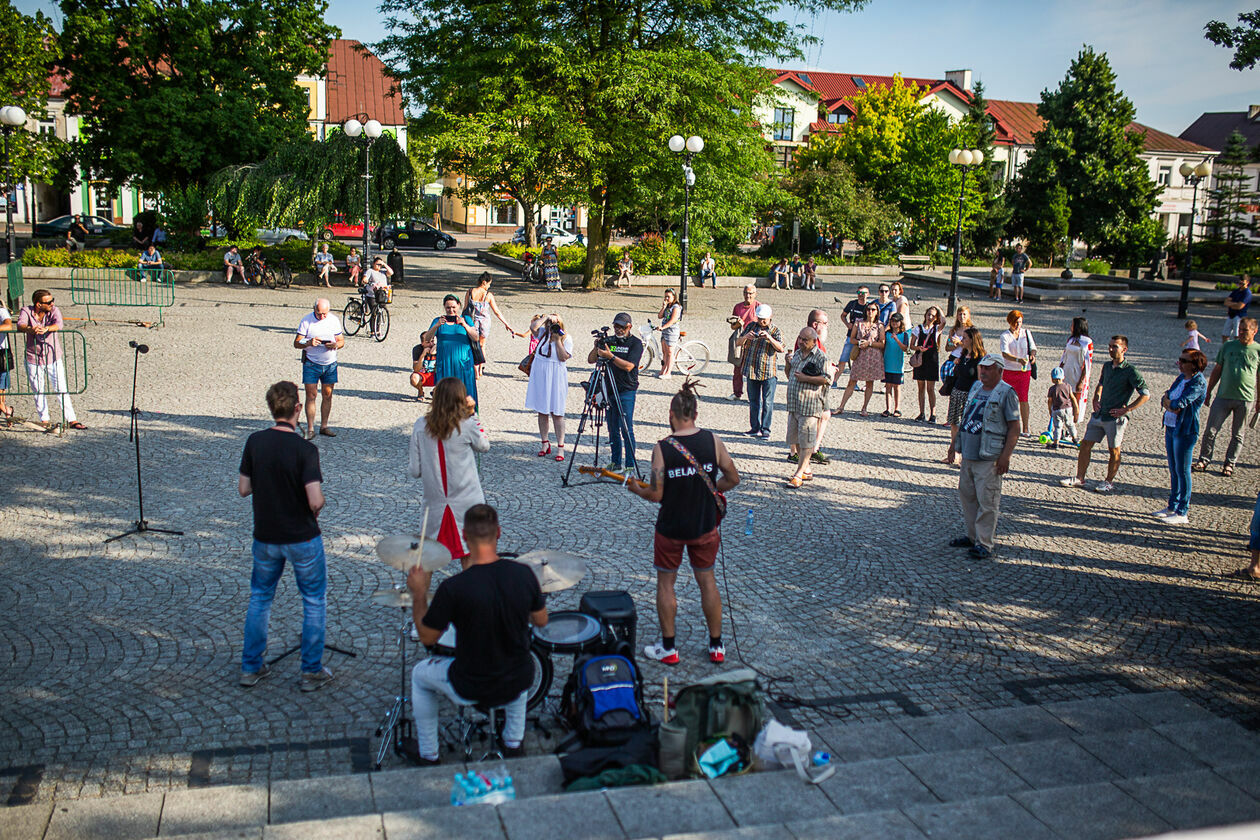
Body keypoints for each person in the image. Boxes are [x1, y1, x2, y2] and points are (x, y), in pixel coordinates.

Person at [406, 504, 547, 763]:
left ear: (464, 537)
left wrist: (418, 595)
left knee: (419, 674)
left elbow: (427, 638)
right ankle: (514, 743)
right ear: (499, 533)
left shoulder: (453, 588)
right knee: (519, 659)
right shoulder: (523, 574)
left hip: (470, 684)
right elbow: (541, 620)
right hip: (517, 679)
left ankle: (428, 754)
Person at [628, 380, 740, 665]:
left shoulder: (662, 448)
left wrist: (635, 489)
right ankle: (716, 645)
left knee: (666, 584)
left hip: (671, 527)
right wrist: (713, 490)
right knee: (708, 582)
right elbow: (733, 478)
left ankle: (669, 648)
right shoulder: (713, 441)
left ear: (671, 415)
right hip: (704, 526)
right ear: (695, 415)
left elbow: (656, 494)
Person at [237, 380, 333, 692]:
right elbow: (315, 499)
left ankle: (251, 667)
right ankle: (311, 671)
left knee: (260, 598)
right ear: (296, 408)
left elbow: (243, 489)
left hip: (265, 536)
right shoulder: (305, 449)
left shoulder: (255, 442)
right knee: (313, 600)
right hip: (302, 537)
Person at [408, 377, 489, 560]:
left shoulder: (421, 425)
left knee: (425, 558)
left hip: (434, 502)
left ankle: (419, 590)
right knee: (470, 555)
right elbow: (484, 446)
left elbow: (415, 470)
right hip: (468, 500)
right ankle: (467, 589)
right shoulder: (467, 424)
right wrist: (472, 414)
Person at [948, 353, 1020, 559]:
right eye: (982, 368)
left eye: (988, 368)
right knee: (968, 496)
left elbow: (1015, 427)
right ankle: (972, 536)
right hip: (969, 453)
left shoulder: (1007, 393)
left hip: (989, 456)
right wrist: (954, 444)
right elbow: (966, 417)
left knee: (987, 500)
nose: (984, 371)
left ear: (1000, 370)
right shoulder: (976, 387)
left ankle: (984, 543)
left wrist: (1006, 456)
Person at [1060, 335, 1150, 493]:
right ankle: (1080, 478)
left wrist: (1127, 409)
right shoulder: (1107, 366)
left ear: (1124, 349)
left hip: (1115, 417)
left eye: (1115, 346)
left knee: (1114, 449)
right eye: (1109, 346)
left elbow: (1145, 394)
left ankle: (1109, 481)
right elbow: (1101, 383)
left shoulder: (1130, 371)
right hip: (1100, 414)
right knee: (1085, 444)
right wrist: (1096, 398)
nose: (1110, 349)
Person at [1193, 316, 1260, 478]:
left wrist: (1259, 399)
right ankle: (1204, 459)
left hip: (1245, 398)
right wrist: (1209, 391)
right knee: (1211, 430)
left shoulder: (1258, 350)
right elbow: (1217, 369)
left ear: (1255, 331)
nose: (1241, 332)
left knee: (1238, 433)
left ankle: (1230, 463)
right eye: (1240, 329)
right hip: (1223, 395)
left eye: (1245, 330)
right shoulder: (1228, 346)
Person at [16, 290, 84, 430]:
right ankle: (44, 419)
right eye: (48, 302)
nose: (52, 303)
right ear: (38, 304)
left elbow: (59, 324)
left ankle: (71, 419)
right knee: (38, 390)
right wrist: (31, 329)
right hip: (33, 356)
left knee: (61, 388)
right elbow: (20, 324)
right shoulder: (26, 311)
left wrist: (46, 329)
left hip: (52, 356)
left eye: (52, 300)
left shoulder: (54, 310)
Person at [587, 312, 643, 474]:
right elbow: (591, 360)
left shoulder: (635, 344)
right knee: (612, 428)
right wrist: (597, 347)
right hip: (609, 389)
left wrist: (610, 357)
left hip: (627, 389)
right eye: (616, 326)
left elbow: (629, 366)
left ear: (629, 327)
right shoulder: (609, 342)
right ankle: (615, 461)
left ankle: (630, 463)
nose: (618, 330)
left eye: (622, 327)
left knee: (626, 428)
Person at [1158, 349, 1209, 525]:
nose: (1179, 363)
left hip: (1185, 430)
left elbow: (1178, 403)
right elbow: (1167, 395)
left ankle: (1182, 511)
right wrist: (1169, 403)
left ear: (1194, 365)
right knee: (1173, 469)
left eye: (1183, 360)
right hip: (1172, 426)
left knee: (1183, 470)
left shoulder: (1198, 383)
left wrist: (1169, 403)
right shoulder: (1181, 378)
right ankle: (1172, 506)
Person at [785, 327, 831, 487]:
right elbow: (789, 375)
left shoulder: (821, 358)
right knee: (796, 439)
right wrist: (787, 362)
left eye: (805, 340)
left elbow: (826, 379)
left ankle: (798, 474)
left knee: (807, 442)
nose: (801, 342)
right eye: (800, 338)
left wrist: (806, 378)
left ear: (814, 341)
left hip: (810, 406)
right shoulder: (797, 354)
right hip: (794, 405)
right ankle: (805, 470)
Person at [294, 299, 344, 440]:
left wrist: (335, 345)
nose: (322, 316)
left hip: (330, 363)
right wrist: (309, 342)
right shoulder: (306, 321)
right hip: (311, 363)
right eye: (319, 313)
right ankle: (310, 428)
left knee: (327, 395)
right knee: (311, 395)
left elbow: (341, 341)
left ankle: (324, 425)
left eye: (324, 314)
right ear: (314, 309)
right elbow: (297, 342)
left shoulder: (333, 320)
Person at [525, 313, 572, 460]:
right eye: (551, 325)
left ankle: (561, 447)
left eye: (556, 324)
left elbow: (563, 357)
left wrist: (557, 340)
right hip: (541, 374)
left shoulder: (566, 338)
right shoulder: (543, 334)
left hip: (556, 376)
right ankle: (544, 443)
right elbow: (532, 327)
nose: (553, 327)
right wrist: (546, 318)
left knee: (557, 413)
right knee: (542, 410)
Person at [423, 295, 479, 411]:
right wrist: (437, 325)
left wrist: (464, 324)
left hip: (464, 364)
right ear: (444, 307)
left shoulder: (467, 319)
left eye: (453, 307)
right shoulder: (438, 321)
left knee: (466, 392)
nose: (451, 310)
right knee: (445, 394)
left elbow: (475, 337)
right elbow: (427, 338)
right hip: (445, 364)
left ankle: (468, 421)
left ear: (459, 305)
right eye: (448, 308)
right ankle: (445, 421)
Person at [463, 272, 523, 377]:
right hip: (485, 322)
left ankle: (475, 370)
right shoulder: (488, 295)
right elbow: (496, 311)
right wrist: (506, 324)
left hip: (472, 321)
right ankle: (481, 369)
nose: (489, 286)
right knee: (482, 345)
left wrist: (461, 321)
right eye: (489, 283)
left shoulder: (470, 291)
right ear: (484, 282)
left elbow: (465, 308)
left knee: (473, 345)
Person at [737, 303, 783, 437]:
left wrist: (769, 338)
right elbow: (738, 343)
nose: (762, 321)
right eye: (760, 318)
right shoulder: (751, 326)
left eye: (764, 319)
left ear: (770, 317)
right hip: (751, 369)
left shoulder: (775, 331)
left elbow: (781, 348)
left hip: (768, 371)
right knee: (753, 401)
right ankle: (754, 428)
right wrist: (746, 337)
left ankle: (766, 430)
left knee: (768, 402)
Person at [836, 300, 884, 417]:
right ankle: (841, 406)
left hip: (873, 357)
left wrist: (870, 343)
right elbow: (851, 339)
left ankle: (864, 407)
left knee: (869, 382)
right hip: (860, 355)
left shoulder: (880, 325)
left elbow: (882, 343)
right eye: (868, 309)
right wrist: (859, 342)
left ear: (877, 312)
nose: (870, 312)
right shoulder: (859, 322)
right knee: (852, 381)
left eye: (873, 310)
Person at [943, 328, 984, 465]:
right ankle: (954, 452)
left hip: (969, 396)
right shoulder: (962, 355)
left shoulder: (980, 359)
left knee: (966, 426)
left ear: (973, 340)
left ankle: (964, 455)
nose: (962, 340)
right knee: (954, 423)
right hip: (957, 392)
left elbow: (980, 381)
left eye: (965, 338)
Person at [999, 310, 1037, 436]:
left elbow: (1033, 348)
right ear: (1010, 322)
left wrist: (1032, 356)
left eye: (1020, 322)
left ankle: (1025, 427)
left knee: (1023, 398)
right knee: (1006, 399)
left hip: (1024, 371)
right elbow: (1004, 353)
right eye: (1015, 322)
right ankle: (1005, 425)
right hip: (1009, 370)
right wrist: (1017, 359)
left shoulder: (1026, 333)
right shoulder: (1005, 335)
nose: (1018, 325)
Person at [1059, 317, 1093, 427]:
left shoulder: (1087, 342)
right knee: (1064, 399)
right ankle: (1064, 425)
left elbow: (1088, 363)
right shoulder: (1071, 340)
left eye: (1072, 325)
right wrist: (1059, 370)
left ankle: (1072, 427)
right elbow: (1064, 356)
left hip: (1077, 373)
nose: (1070, 327)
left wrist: (1082, 380)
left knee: (1075, 401)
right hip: (1067, 371)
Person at [912, 306, 943, 422]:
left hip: (932, 360)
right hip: (921, 359)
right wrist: (918, 348)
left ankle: (933, 413)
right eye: (929, 314)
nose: (930, 317)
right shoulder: (918, 329)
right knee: (921, 387)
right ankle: (921, 413)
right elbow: (911, 345)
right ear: (925, 315)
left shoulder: (936, 329)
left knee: (930, 388)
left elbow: (944, 321)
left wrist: (939, 309)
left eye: (933, 316)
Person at [726, 286, 757, 400]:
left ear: (755, 294)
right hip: (740, 339)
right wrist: (739, 324)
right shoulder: (738, 307)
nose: (748, 296)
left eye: (750, 293)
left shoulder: (759, 307)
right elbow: (733, 327)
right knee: (737, 368)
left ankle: (752, 395)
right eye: (745, 293)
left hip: (753, 341)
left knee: (752, 370)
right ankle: (737, 392)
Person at [835, 286, 872, 381]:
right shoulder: (852, 304)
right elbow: (843, 315)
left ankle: (856, 382)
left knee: (860, 362)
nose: (860, 295)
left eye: (863, 293)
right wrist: (847, 324)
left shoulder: (870, 307)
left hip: (863, 338)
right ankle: (834, 381)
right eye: (858, 292)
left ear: (868, 294)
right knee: (843, 360)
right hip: (850, 336)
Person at [882, 313, 911, 417]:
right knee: (888, 386)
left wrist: (897, 339)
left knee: (897, 387)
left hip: (898, 365)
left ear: (900, 322)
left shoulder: (904, 334)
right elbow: (883, 346)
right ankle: (888, 408)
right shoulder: (886, 333)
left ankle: (897, 408)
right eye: (893, 321)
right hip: (887, 362)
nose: (894, 323)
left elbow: (905, 348)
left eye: (897, 321)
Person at [1045, 368, 1079, 448]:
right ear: (1063, 377)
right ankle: (1075, 438)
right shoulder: (1067, 386)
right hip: (1068, 409)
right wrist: (1076, 408)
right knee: (1070, 424)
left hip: (1057, 410)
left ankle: (1056, 443)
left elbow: (1050, 401)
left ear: (1052, 379)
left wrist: (1050, 410)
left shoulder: (1052, 389)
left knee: (1058, 426)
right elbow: (1072, 398)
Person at [657, 288, 682, 378]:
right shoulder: (668, 306)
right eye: (665, 297)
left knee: (670, 353)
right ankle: (663, 370)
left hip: (672, 331)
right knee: (664, 352)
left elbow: (673, 320)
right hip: (665, 332)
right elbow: (659, 316)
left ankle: (668, 373)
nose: (666, 298)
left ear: (674, 297)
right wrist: (663, 307)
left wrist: (663, 327)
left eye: (668, 297)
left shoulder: (676, 307)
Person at [1223, 274, 1252, 344]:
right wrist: (1235, 304)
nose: (1240, 284)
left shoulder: (1247, 293)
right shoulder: (1236, 291)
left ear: (1247, 282)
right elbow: (1226, 302)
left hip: (1239, 316)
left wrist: (1231, 304)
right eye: (1239, 283)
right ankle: (1225, 348)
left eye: (1242, 283)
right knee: (1225, 334)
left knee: (1237, 335)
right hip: (1231, 315)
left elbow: (1240, 306)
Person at [0, 299, 13, 423]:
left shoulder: (2, 311)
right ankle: (6, 410)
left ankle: (5, 409)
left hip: (1, 353)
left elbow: (8, 325)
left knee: (1, 389)